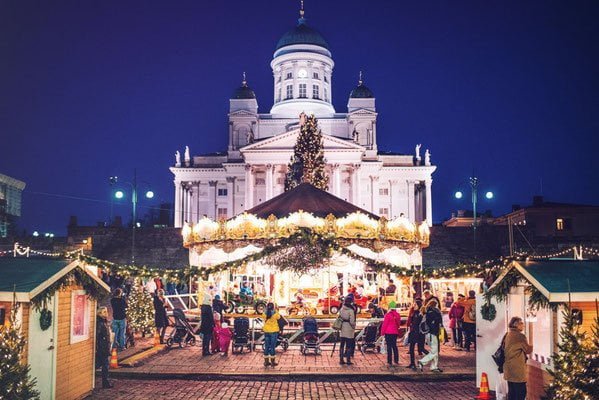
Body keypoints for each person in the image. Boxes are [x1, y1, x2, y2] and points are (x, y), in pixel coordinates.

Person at [504, 317, 533, 400]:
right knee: (521, 392)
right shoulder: (520, 336)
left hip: (509, 368)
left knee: (512, 392)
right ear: (516, 325)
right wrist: (531, 342)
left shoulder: (508, 334)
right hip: (517, 369)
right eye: (521, 323)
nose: (523, 325)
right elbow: (528, 350)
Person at [418, 299, 443, 373]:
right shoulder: (435, 313)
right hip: (433, 334)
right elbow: (437, 324)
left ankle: (434, 366)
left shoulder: (427, 312)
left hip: (428, 334)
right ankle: (422, 361)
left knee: (434, 350)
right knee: (434, 351)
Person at [95, 307, 113, 388]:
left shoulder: (104, 322)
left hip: (105, 346)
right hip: (102, 348)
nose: (106, 313)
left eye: (106, 311)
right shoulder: (100, 322)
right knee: (105, 365)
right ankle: (105, 383)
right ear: (100, 313)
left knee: (100, 364)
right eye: (104, 312)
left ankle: (105, 382)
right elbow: (97, 335)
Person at [407, 299, 426, 369]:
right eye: (414, 304)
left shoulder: (420, 314)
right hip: (413, 332)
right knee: (411, 348)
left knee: (421, 348)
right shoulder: (414, 313)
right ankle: (412, 363)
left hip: (418, 333)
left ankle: (432, 357)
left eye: (415, 304)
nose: (414, 306)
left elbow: (419, 324)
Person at [261, 302, 281, 366]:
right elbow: (279, 317)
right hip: (274, 331)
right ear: (273, 307)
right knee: (272, 347)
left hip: (266, 331)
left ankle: (266, 362)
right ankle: (273, 362)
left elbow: (263, 317)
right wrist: (276, 310)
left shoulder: (264, 313)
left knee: (266, 346)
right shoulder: (275, 313)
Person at [338, 297, 356, 365]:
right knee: (348, 345)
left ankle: (341, 359)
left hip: (342, 327)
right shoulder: (351, 310)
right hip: (349, 328)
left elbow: (339, 317)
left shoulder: (342, 309)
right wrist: (354, 326)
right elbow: (352, 321)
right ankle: (348, 360)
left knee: (342, 344)